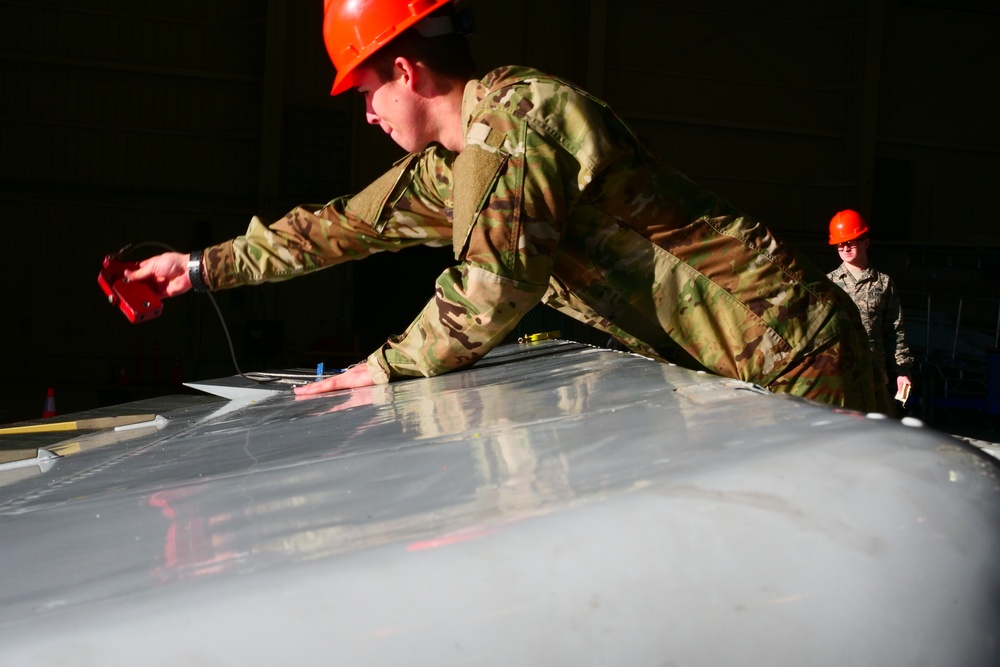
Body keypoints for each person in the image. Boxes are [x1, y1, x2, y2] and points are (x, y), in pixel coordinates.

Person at [127, 0, 889, 413]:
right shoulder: (455, 166)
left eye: (364, 93)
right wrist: (197, 268)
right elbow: (337, 229)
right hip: (744, 355)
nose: (365, 115)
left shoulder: (516, 120)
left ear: (403, 69)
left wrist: (383, 367)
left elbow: (495, 285)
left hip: (787, 343)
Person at [826, 209, 913, 410]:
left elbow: (895, 331)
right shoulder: (828, 284)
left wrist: (901, 371)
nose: (845, 247)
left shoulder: (883, 284)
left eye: (850, 241)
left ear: (865, 242)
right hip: (840, 374)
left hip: (874, 375)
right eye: (840, 244)